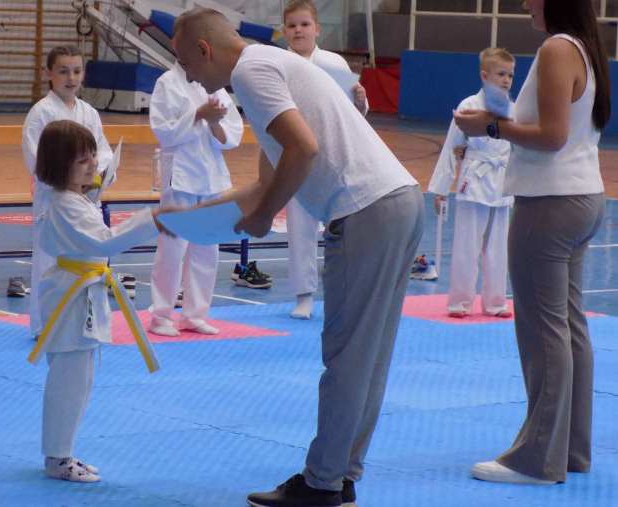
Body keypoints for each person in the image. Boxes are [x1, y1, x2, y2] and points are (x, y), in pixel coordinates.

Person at [172, 8, 423, 507]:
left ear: (204, 49)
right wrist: (185, 217)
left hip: (367, 210)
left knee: (348, 356)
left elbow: (302, 150)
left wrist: (266, 215)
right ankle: (341, 473)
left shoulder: (252, 71)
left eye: (186, 63)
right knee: (368, 356)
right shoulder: (267, 67)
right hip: (398, 200)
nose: (189, 77)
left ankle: (323, 482)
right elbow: (264, 182)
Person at [455, 0, 610, 485]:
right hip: (581, 197)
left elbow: (551, 136)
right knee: (568, 326)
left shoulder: (558, 49)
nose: (525, 3)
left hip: (550, 204)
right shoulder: (584, 47)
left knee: (545, 331)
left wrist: (489, 127)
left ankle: (538, 457)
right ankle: (570, 449)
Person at [27, 120, 165, 483]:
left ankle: (64, 452)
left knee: (81, 379)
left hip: (79, 291)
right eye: (83, 161)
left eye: (93, 157)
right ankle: (58, 458)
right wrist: (151, 220)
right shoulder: (65, 204)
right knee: (69, 381)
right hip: (71, 296)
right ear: (61, 166)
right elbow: (105, 240)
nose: (93, 165)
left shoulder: (73, 200)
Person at [281, 0, 369, 319]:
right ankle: (303, 295)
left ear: (317, 29)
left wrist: (360, 101)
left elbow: (352, 114)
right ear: (284, 31)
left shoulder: (334, 64)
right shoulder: (278, 65)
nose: (298, 30)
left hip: (334, 153)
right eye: (292, 26)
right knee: (300, 227)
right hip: (295, 154)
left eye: (304, 24)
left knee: (341, 225)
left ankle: (342, 289)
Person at [22, 45, 115, 339]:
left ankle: (80, 322)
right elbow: (36, 159)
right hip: (54, 199)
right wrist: (73, 180)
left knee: (86, 260)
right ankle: (44, 325)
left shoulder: (89, 112)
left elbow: (103, 152)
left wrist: (99, 174)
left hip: (87, 199)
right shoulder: (41, 113)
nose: (71, 78)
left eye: (76, 71)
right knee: (49, 263)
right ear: (48, 74)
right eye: (63, 71)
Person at [147, 60, 243, 337]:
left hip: (211, 177)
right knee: (171, 250)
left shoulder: (214, 84)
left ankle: (195, 315)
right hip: (180, 176)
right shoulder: (167, 82)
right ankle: (161, 316)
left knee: (207, 250)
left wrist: (213, 123)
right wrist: (198, 114)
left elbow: (233, 136)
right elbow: (163, 132)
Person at [429, 48, 516, 319]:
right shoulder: (468, 106)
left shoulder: (514, 109)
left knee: (498, 249)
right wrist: (441, 189)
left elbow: (520, 149)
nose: (506, 80)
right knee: (466, 247)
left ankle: (495, 303)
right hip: (474, 182)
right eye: (501, 74)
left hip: (502, 184)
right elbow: (451, 147)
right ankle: (459, 303)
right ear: (484, 75)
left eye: (510, 75)